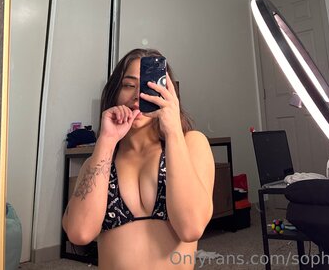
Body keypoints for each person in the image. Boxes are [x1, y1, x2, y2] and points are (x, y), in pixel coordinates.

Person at [62, 48, 215, 269]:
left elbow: (191, 228)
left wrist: (172, 130)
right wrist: (106, 141)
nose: (138, 96)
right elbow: (79, 233)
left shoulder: (191, 144)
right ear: (115, 92)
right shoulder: (98, 162)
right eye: (128, 85)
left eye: (149, 86)